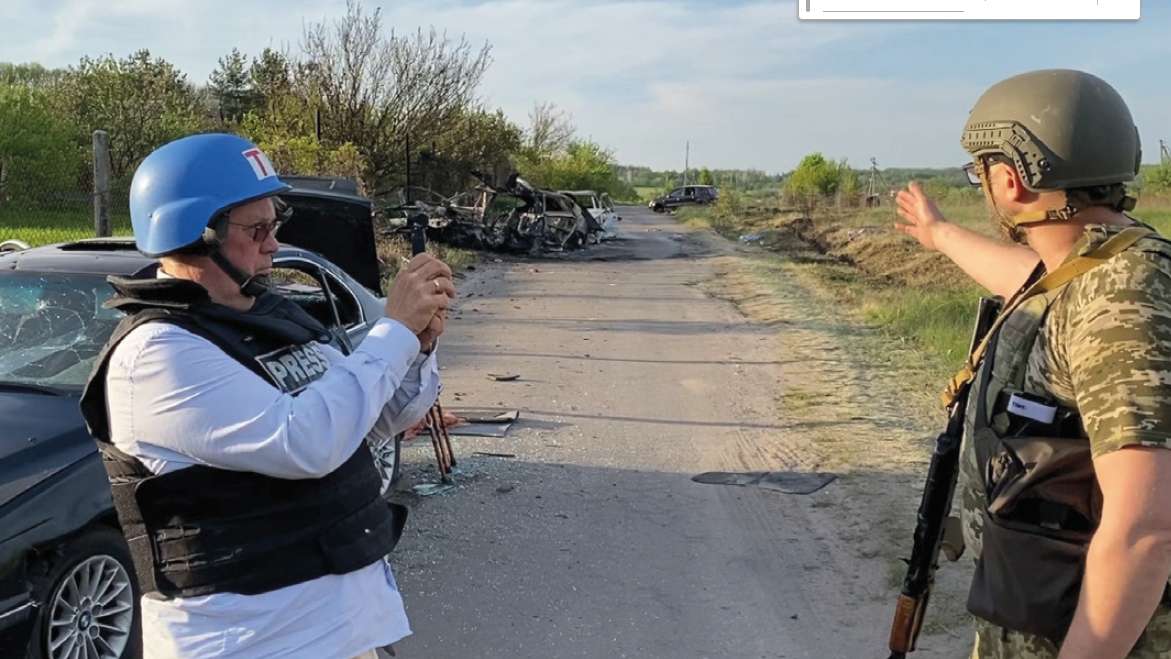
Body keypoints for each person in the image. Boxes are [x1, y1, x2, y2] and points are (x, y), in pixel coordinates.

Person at [79, 133, 455, 659]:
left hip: (344, 632)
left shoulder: (270, 315)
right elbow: (309, 442)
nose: (274, 245)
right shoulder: (157, 353)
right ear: (196, 234)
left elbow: (377, 417)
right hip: (253, 643)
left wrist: (416, 346)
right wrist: (391, 330)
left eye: (275, 224)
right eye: (257, 230)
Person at [894, 68, 1171, 659]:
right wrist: (940, 235)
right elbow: (1032, 281)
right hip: (1038, 618)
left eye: (982, 172)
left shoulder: (1122, 298)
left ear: (1012, 179)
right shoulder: (1094, 267)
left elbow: (1146, 530)